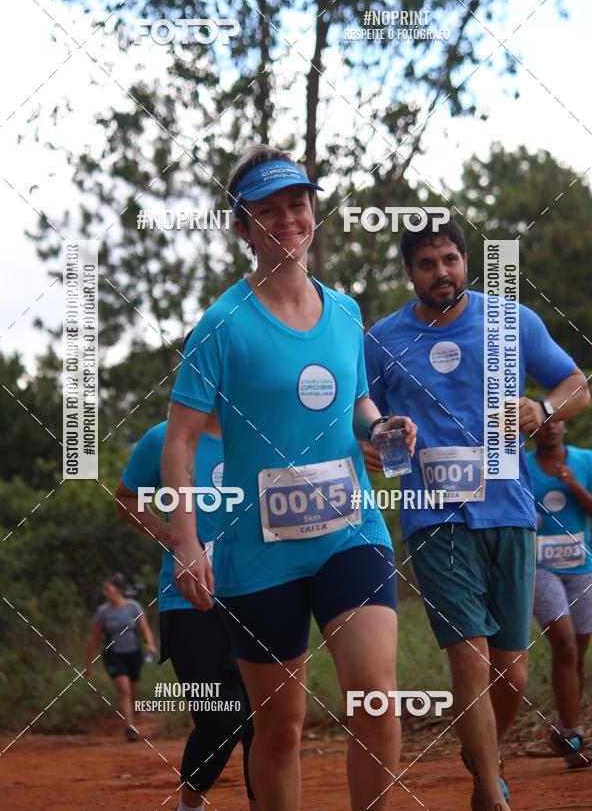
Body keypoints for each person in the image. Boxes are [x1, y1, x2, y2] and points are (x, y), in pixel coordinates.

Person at [162, 144, 418, 811]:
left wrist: (380, 429)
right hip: (259, 553)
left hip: (350, 530)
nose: (286, 220)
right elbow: (181, 443)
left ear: (313, 211)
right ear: (243, 228)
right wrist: (186, 542)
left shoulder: (346, 312)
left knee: (375, 695)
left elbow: (358, 405)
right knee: (279, 730)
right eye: (266, 211)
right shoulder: (220, 327)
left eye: (296, 205)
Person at [363, 217, 590, 811]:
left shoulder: (511, 321)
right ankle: (491, 795)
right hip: (432, 517)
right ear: (409, 270)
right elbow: (360, 422)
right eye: (427, 263)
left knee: (510, 674)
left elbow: (576, 384)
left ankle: (479, 754)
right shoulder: (384, 340)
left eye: (450, 260)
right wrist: (379, 441)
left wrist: (540, 405)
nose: (441, 273)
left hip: (509, 514)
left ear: (466, 261)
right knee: (469, 655)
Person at [115, 391, 255, 811]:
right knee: (221, 718)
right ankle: (189, 807)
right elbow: (127, 497)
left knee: (262, 723)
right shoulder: (163, 438)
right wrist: (174, 537)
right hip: (190, 601)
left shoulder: (259, 435)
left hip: (259, 594)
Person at [526, 417, 592, 769]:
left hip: (582, 568)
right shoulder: (520, 466)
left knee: (577, 653)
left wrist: (575, 487)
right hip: (540, 569)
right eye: (542, 423)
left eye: (557, 421)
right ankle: (575, 737)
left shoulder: (586, 461)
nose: (550, 428)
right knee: (564, 644)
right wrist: (527, 519)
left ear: (565, 425)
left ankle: (565, 733)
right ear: (529, 428)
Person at [84, 572, 156, 741]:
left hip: (134, 654)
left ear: (118, 590)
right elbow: (94, 638)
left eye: (108, 589)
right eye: (104, 590)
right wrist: (87, 662)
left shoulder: (133, 606)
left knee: (132, 692)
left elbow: (145, 628)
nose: (105, 593)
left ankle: (130, 721)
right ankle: (130, 728)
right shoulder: (102, 612)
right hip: (113, 655)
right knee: (124, 690)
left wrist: (150, 643)